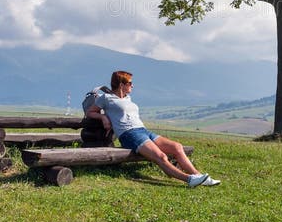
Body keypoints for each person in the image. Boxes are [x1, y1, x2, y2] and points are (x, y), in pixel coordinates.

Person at [86, 70, 221, 187]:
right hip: (129, 134)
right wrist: (104, 118)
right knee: (160, 156)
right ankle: (189, 179)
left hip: (143, 130)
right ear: (122, 85)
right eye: (130, 83)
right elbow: (90, 112)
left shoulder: (128, 98)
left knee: (177, 147)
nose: (133, 85)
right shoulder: (106, 98)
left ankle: (200, 177)